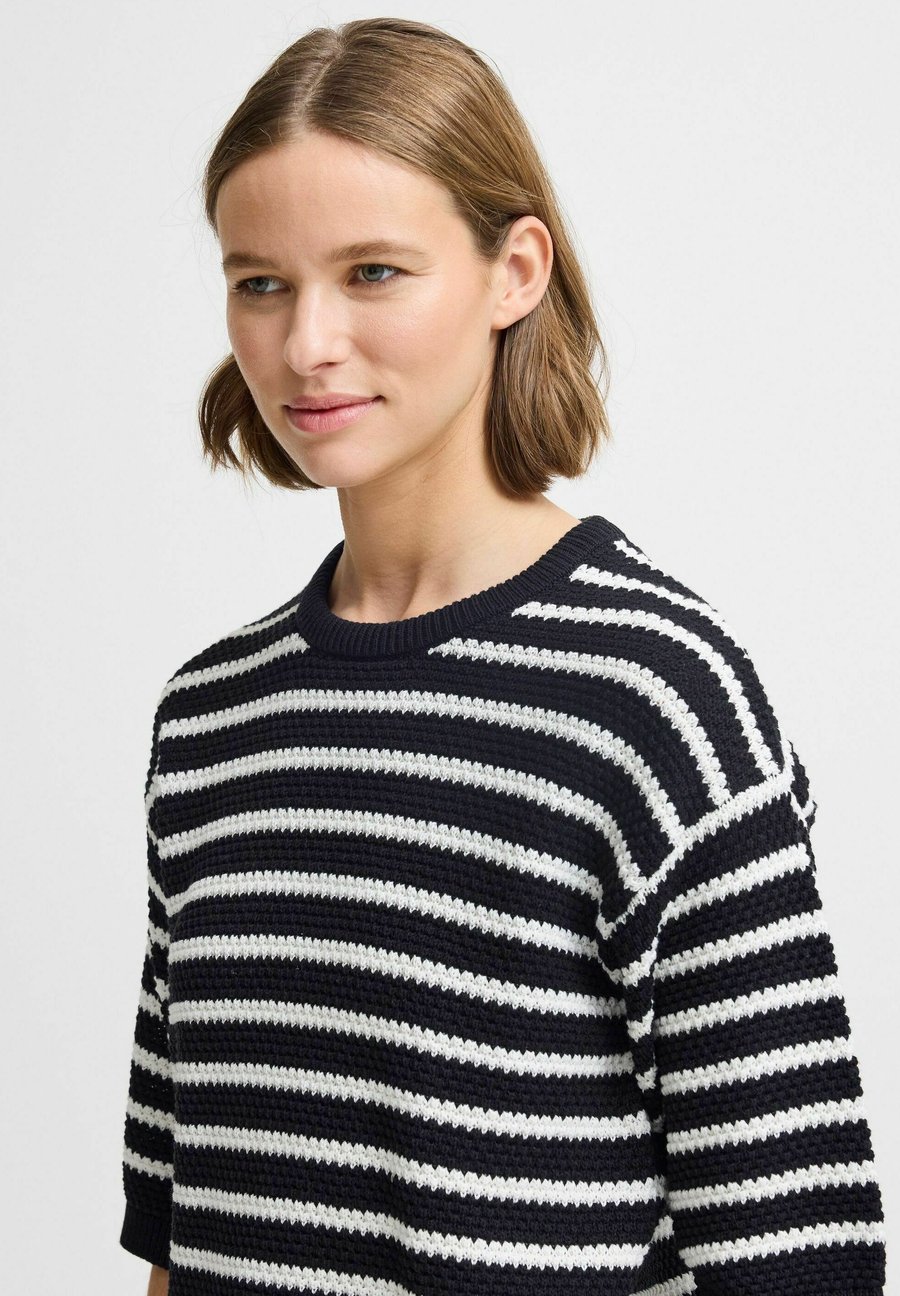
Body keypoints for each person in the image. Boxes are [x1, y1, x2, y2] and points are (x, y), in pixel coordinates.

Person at [119, 17, 886, 1296]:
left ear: (515, 272)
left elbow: (797, 1251)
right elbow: (179, 1223)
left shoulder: (655, 697)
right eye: (260, 283)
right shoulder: (210, 718)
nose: (306, 344)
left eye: (372, 272)